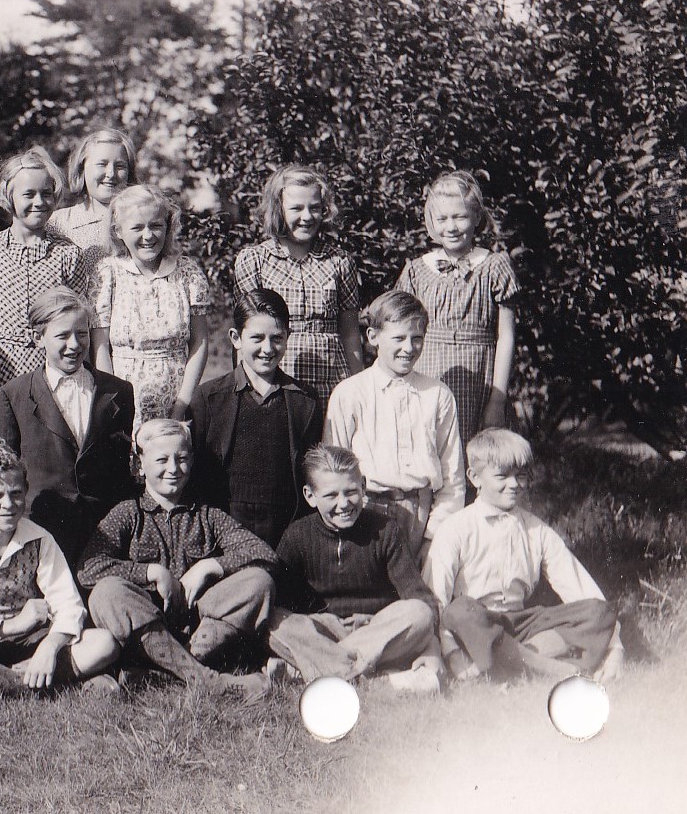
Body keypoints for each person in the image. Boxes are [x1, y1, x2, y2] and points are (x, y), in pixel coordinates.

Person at [77, 420, 274, 696]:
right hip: (144, 631)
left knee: (258, 581)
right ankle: (209, 681)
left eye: (181, 458)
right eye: (162, 460)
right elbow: (88, 569)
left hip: (199, 632)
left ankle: (163, 674)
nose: (173, 468)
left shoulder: (207, 516)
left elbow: (263, 554)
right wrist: (150, 572)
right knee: (106, 592)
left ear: (191, 461)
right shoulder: (127, 514)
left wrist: (211, 565)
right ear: (139, 465)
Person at [424, 429, 623, 682]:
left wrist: (616, 650)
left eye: (520, 476)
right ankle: (553, 668)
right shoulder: (455, 528)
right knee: (459, 611)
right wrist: (452, 654)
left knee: (600, 610)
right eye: (502, 476)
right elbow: (436, 599)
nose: (514, 485)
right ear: (475, 477)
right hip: (477, 623)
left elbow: (579, 587)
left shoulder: (536, 530)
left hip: (523, 625)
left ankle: (512, 661)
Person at [0, 440, 121, 697]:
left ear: (26, 490)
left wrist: (50, 647)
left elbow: (68, 604)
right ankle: (36, 683)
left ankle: (10, 679)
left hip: (32, 642)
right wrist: (12, 625)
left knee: (104, 643)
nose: (8, 504)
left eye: (16, 493)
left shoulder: (40, 539)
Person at [267, 445, 442, 692]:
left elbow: (420, 597)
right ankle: (377, 679)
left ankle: (315, 669)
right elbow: (282, 604)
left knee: (419, 612)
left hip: (376, 631)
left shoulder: (385, 530)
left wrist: (433, 646)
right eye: (331, 495)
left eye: (351, 492)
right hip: (321, 632)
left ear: (363, 486)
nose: (343, 504)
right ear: (310, 496)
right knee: (273, 619)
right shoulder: (297, 535)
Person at [0, 286, 136, 561]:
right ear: (38, 338)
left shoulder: (118, 392)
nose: (74, 345)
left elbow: (120, 470)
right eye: (62, 336)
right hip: (41, 530)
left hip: (106, 530)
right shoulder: (13, 395)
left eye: (82, 334)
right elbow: (4, 473)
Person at [325, 290, 466, 556]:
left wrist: (434, 538)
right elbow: (333, 470)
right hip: (364, 513)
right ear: (373, 337)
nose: (409, 348)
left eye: (417, 338)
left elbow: (453, 477)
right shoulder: (350, 393)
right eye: (399, 338)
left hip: (420, 515)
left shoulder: (438, 395)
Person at [190, 288, 323, 548]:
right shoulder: (209, 398)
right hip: (225, 531)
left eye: (277, 338)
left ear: (288, 337)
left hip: (285, 534)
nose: (267, 349)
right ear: (236, 338)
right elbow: (197, 478)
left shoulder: (304, 401)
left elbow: (308, 475)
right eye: (257, 338)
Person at [395, 169, 519, 448]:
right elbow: (399, 333)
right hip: (427, 376)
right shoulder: (417, 270)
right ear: (432, 221)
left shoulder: (494, 266)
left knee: (476, 456)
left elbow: (506, 337)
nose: (451, 227)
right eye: (442, 218)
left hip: (479, 381)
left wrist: (497, 399)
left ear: (476, 217)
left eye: (460, 217)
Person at [0, 146, 91, 395]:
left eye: (46, 193)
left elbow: (77, 324)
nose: (39, 202)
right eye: (29, 194)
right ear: (8, 197)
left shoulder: (68, 254)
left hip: (49, 371)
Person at [232, 164, 364, 408]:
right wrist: (245, 396)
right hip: (274, 379)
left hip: (331, 379)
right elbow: (246, 335)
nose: (307, 217)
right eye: (296, 208)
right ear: (278, 209)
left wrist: (360, 388)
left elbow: (350, 333)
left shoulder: (340, 261)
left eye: (314, 208)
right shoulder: (254, 260)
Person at [92, 184, 214, 434]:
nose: (148, 236)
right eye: (137, 227)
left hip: (177, 400)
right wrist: (114, 406)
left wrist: (181, 407)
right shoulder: (107, 273)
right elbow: (100, 346)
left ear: (168, 226)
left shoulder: (188, 273)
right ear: (118, 231)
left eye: (156, 225)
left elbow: (199, 343)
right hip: (123, 404)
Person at [48, 126, 137, 261]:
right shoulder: (58, 223)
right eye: (102, 164)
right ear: (82, 169)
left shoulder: (142, 219)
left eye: (120, 166)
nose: (111, 173)